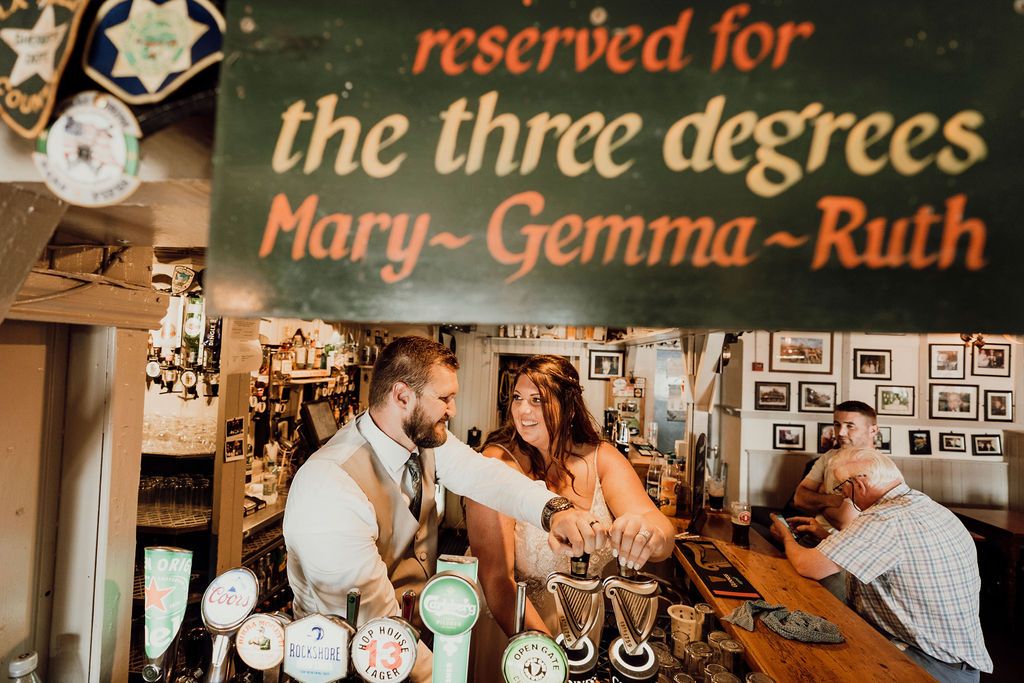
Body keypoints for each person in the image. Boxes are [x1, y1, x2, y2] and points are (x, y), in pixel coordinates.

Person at [284, 337, 605, 682]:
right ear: (402, 396)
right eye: (444, 398)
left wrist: (555, 511)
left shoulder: (420, 439)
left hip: (412, 640)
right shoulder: (329, 485)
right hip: (348, 664)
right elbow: (374, 624)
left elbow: (483, 476)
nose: (452, 409)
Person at [466, 355, 675, 678]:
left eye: (537, 401)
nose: (522, 411)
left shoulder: (601, 457)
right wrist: (547, 656)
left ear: (569, 406)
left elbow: (660, 530)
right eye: (518, 399)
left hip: (581, 630)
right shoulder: (497, 464)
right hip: (514, 626)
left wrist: (647, 535)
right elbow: (496, 580)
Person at [771, 448, 992, 682]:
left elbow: (808, 566)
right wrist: (825, 536)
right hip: (959, 662)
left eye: (841, 488)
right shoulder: (925, 505)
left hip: (928, 664)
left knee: (804, 651)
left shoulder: (882, 518)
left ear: (860, 486)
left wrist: (785, 536)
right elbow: (887, 554)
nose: (843, 497)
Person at [792, 400, 878, 530]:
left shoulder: (876, 465)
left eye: (850, 426)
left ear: (873, 431)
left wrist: (819, 499)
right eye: (837, 425)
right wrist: (831, 500)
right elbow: (799, 499)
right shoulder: (829, 456)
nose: (841, 432)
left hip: (840, 543)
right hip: (813, 532)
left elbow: (844, 522)